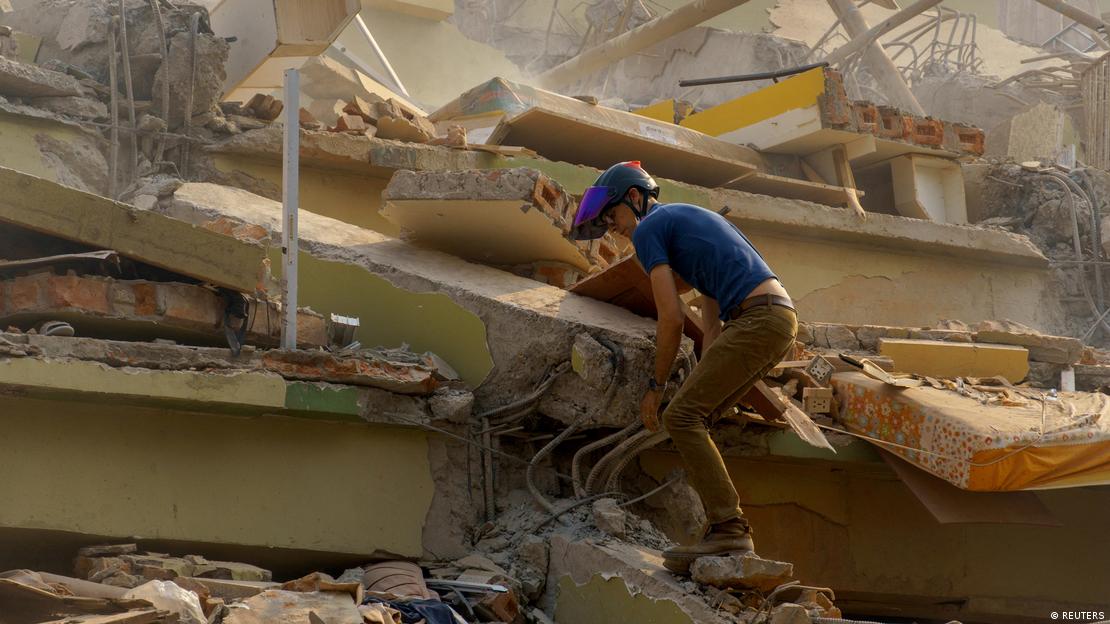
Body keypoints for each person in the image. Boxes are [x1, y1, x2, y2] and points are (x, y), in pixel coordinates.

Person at [571, 161, 798, 574]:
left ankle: (729, 527)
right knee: (694, 416)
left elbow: (672, 318)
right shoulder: (691, 223)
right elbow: (710, 328)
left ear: (635, 198)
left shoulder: (650, 229)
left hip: (758, 320)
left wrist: (656, 386)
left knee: (680, 417)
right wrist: (696, 381)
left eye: (613, 215)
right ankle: (726, 528)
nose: (613, 228)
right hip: (776, 319)